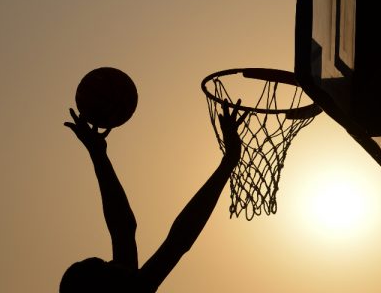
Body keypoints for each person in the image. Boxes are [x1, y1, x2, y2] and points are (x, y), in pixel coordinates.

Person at [60, 101, 247, 293]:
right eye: (107, 265)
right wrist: (228, 161)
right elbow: (178, 240)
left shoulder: (122, 284)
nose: (114, 261)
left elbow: (123, 229)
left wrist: (98, 154)